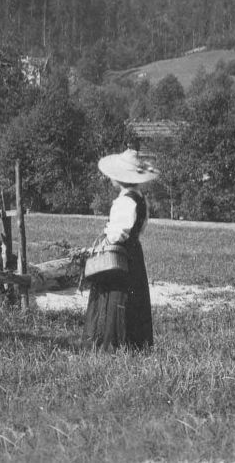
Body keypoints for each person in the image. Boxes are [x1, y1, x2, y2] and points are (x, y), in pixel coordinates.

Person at [85, 149, 157, 351]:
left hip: (119, 254)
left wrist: (103, 244)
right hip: (134, 253)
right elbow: (140, 228)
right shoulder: (140, 198)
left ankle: (113, 343)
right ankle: (135, 343)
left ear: (120, 178)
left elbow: (117, 234)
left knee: (116, 296)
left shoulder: (124, 201)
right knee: (133, 297)